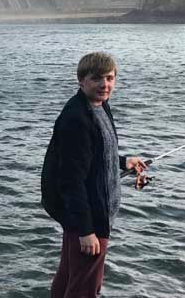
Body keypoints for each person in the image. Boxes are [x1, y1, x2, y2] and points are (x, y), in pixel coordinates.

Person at [41, 52, 147, 298]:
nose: (104, 84)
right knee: (86, 288)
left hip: (84, 213)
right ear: (82, 81)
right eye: (97, 78)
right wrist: (86, 230)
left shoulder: (98, 106)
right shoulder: (77, 119)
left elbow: (93, 155)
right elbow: (71, 180)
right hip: (89, 216)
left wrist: (122, 162)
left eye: (110, 78)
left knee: (69, 276)